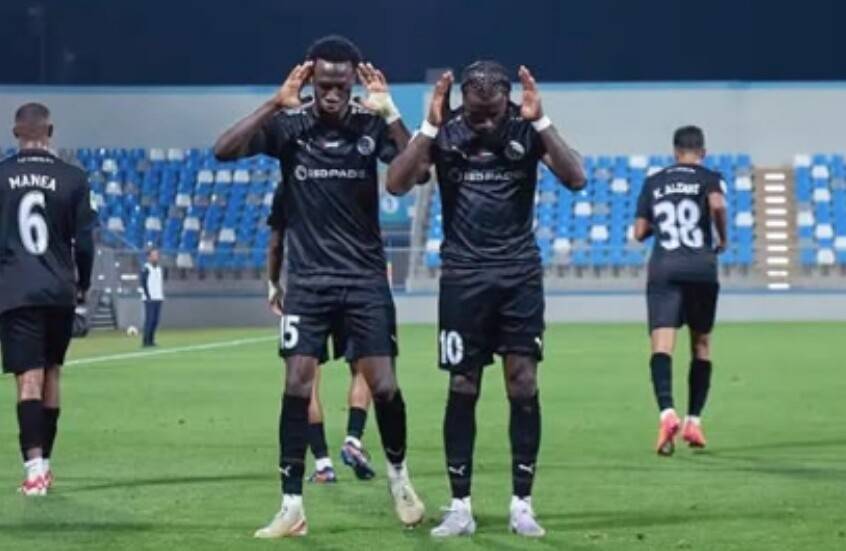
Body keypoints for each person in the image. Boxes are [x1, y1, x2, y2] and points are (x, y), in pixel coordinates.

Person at [214, 35, 424, 538]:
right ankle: (291, 505)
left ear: (353, 81)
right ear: (310, 79)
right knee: (296, 384)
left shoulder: (370, 123)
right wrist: (274, 102)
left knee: (384, 385)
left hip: (364, 279)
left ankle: (399, 477)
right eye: (324, 84)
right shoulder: (289, 125)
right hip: (308, 282)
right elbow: (223, 150)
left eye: (341, 85)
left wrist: (392, 112)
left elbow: (417, 171)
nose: (332, 94)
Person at [386, 61, 586, 537]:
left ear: (507, 99)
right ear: (463, 102)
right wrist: (428, 126)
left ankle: (522, 504)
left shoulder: (525, 125)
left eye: (493, 113)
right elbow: (396, 183)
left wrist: (542, 120)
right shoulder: (447, 129)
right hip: (463, 277)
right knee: (463, 384)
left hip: (519, 275)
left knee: (523, 382)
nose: (486, 123)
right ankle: (460, 506)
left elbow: (576, 177)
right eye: (476, 115)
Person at [0, 102, 96, 495]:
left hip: (16, 288)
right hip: (59, 289)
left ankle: (34, 471)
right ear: (50, 131)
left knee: (28, 378)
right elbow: (85, 242)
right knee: (52, 373)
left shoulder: (2, 175)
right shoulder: (73, 178)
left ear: (15, 133)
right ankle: (47, 467)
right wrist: (82, 283)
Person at [265, 188, 376, 484]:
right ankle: (353, 439)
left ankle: (323, 464)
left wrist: (274, 283)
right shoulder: (351, 177)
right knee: (362, 367)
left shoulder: (292, 186)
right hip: (351, 285)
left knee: (305, 379)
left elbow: (276, 241)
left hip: (307, 289)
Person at [633, 125, 727, 456]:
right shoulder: (708, 177)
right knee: (701, 345)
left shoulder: (654, 182)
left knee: (662, 345)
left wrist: (658, 224)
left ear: (675, 152)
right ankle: (694, 421)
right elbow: (717, 205)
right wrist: (722, 237)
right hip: (701, 268)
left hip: (665, 268)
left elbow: (639, 232)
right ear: (703, 152)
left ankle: (667, 413)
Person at [140, 247, 164, 347]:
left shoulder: (159, 269)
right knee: (149, 319)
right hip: (150, 298)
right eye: (153, 255)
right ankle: (145, 340)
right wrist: (147, 295)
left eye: (157, 255)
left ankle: (151, 339)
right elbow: (143, 282)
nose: (156, 257)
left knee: (155, 320)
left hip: (158, 297)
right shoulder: (146, 268)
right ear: (149, 257)